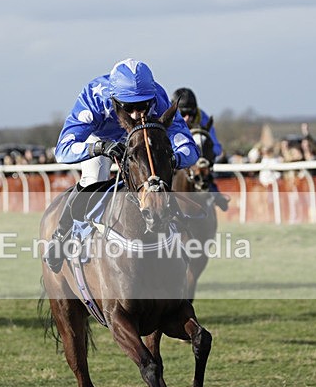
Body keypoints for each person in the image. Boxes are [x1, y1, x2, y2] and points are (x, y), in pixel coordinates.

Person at [45, 58, 200, 273]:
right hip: (100, 139)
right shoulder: (94, 98)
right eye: (129, 107)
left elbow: (189, 148)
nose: (138, 113)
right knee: (93, 179)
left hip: (140, 140)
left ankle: (174, 235)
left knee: (157, 180)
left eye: (143, 105)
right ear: (115, 100)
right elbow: (63, 149)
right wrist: (99, 148)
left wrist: (173, 160)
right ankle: (61, 235)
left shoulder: (159, 98)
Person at [171, 87, 230, 211]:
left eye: (191, 114)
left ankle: (216, 195)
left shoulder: (203, 118)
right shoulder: (167, 117)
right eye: (183, 114)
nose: (187, 118)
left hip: (196, 159)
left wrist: (203, 157)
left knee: (204, 170)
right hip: (175, 156)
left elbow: (217, 147)